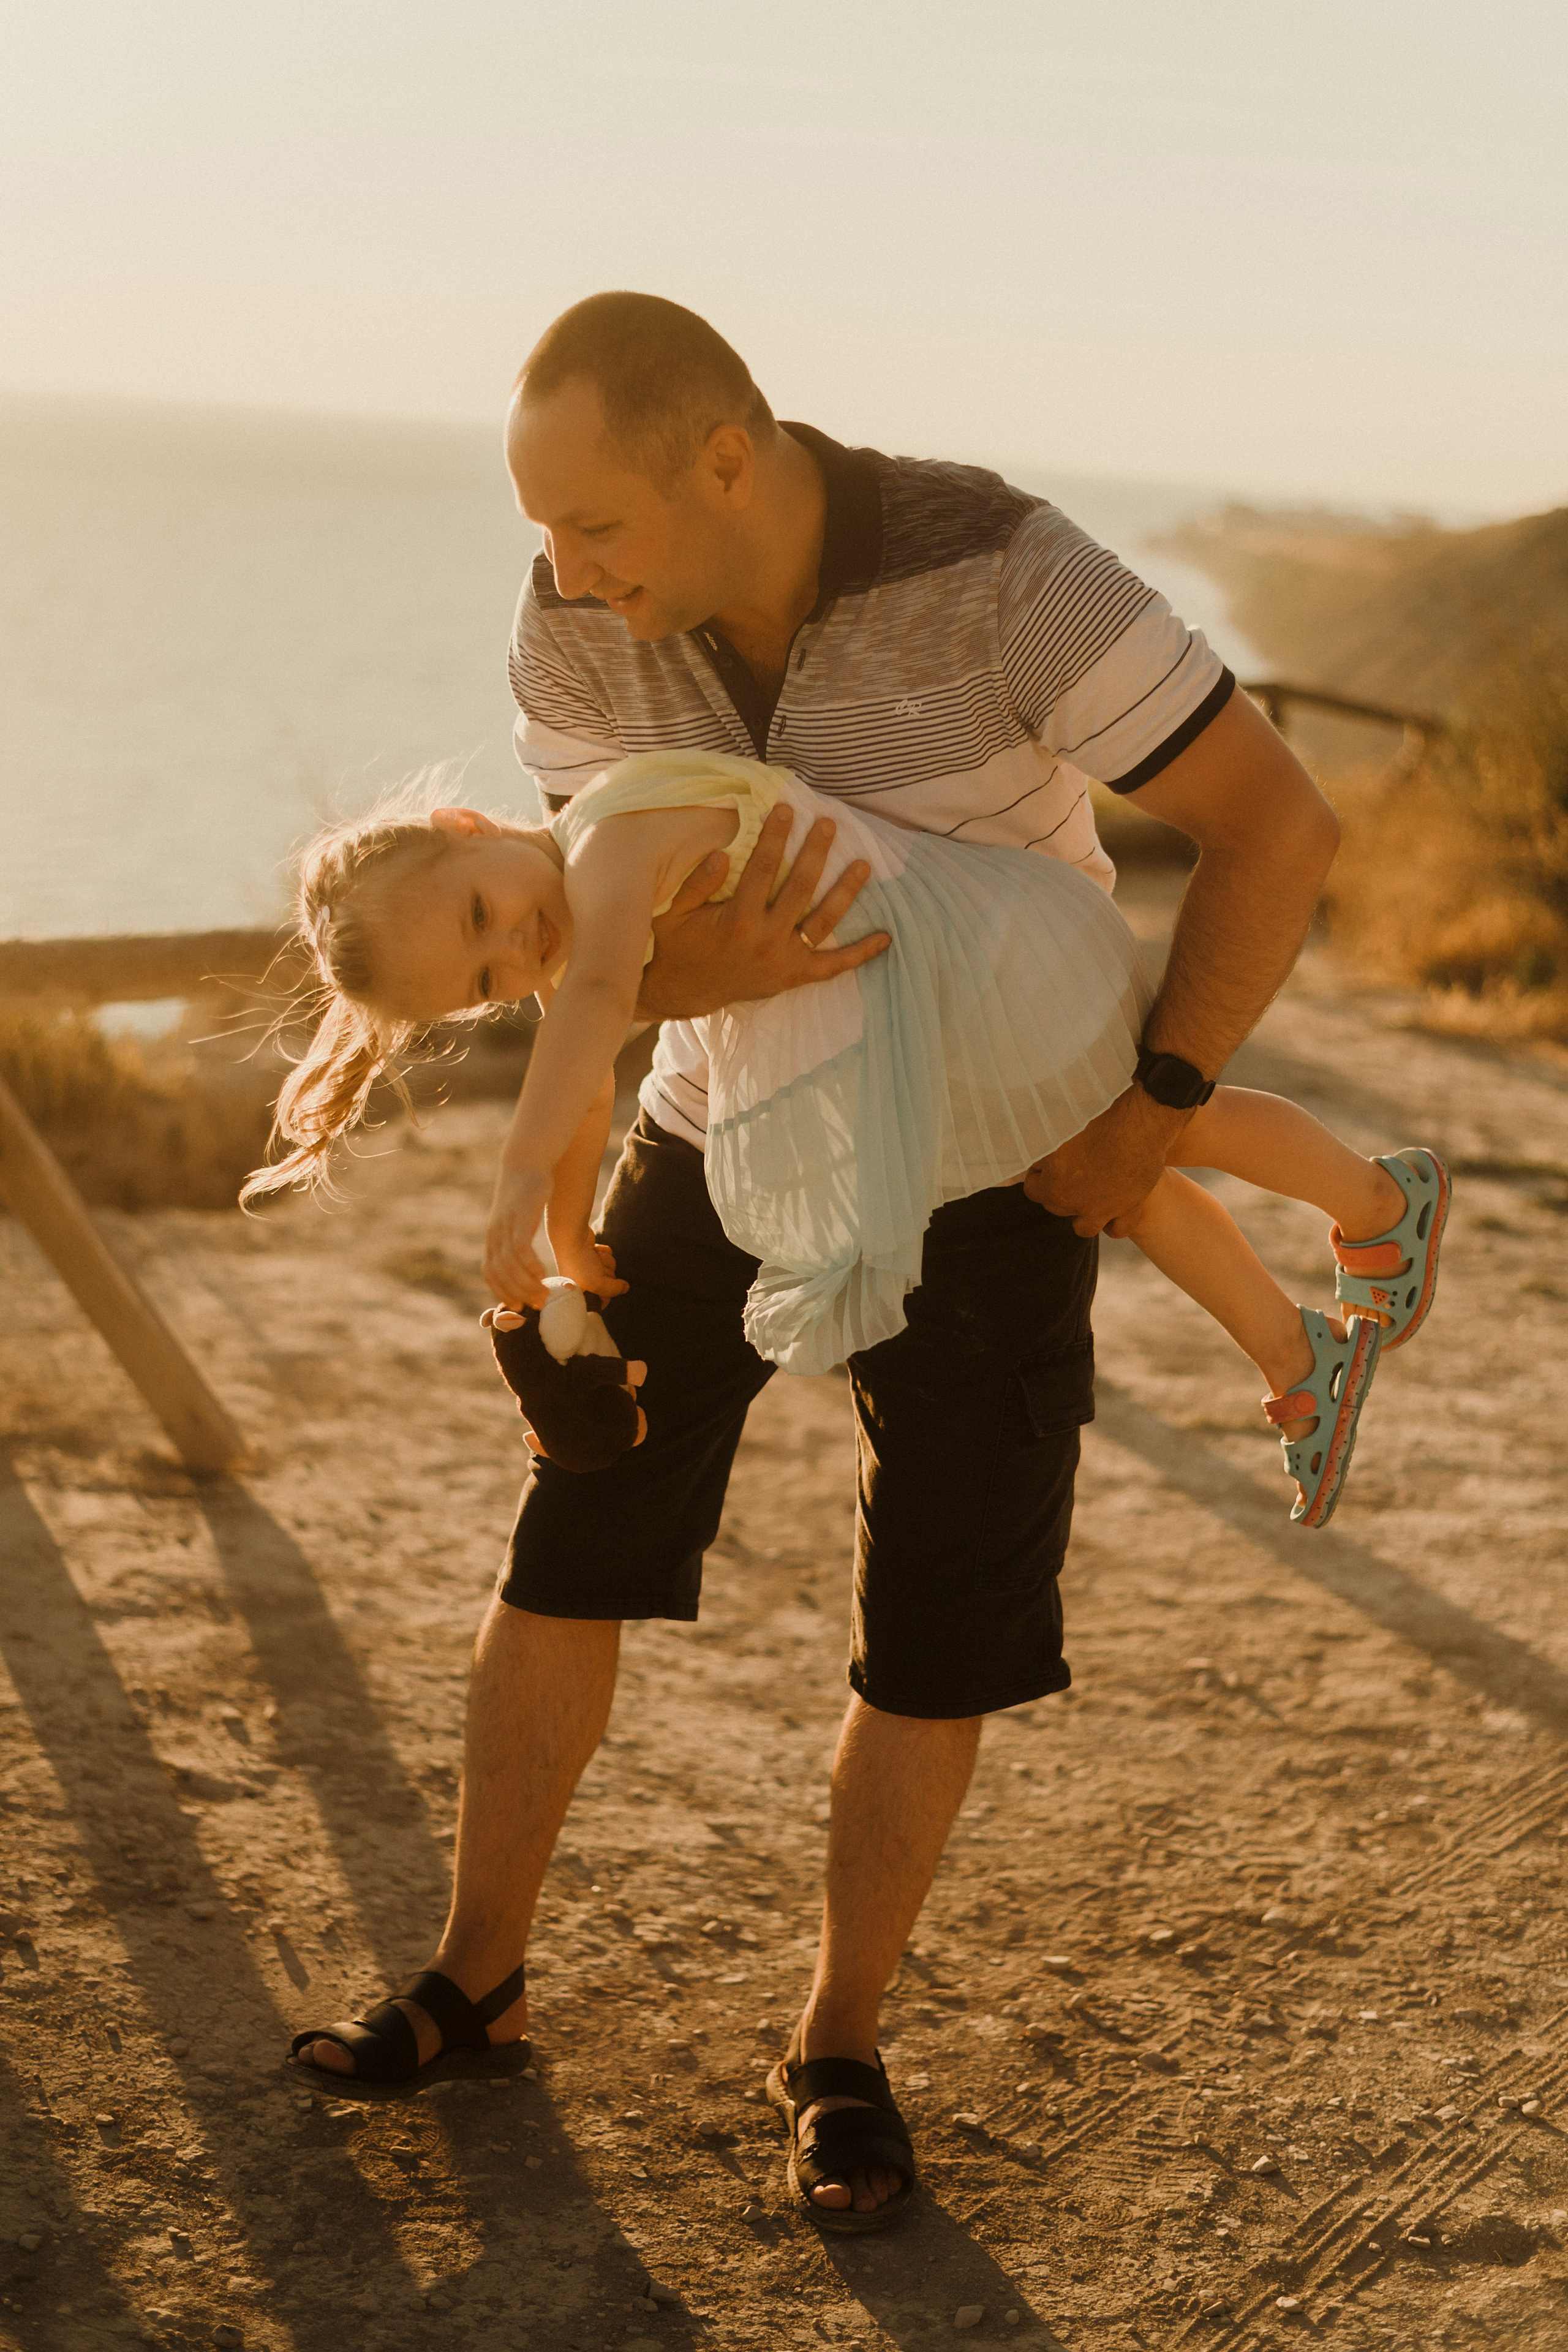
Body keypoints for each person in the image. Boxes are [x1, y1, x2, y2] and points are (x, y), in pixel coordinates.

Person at [273, 291, 1377, 2228]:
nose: (561, 575)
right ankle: (478, 1974)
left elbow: (1274, 823)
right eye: (540, 532)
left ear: (726, 456)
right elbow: (598, 953)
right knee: (570, 1535)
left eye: (594, 524)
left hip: (991, 1149)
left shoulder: (1007, 570)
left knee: (941, 1609)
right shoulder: (575, 633)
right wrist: (733, 980)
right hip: (716, 1126)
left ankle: (840, 2044)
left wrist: (1155, 1106)